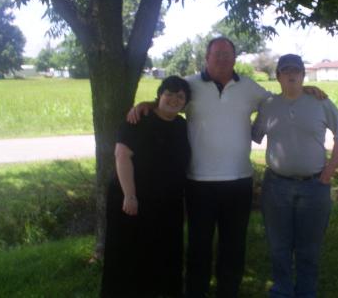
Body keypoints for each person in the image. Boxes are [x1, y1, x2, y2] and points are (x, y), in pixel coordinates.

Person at [128, 38, 326, 298]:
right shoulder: (190, 85)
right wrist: (148, 105)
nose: (222, 59)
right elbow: (170, 103)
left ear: (234, 58)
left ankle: (228, 291)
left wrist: (304, 88)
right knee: (199, 245)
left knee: (233, 246)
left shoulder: (249, 87)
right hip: (198, 181)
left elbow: (280, 100)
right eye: (217, 54)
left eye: (227, 55)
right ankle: (196, 292)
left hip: (239, 180)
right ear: (207, 58)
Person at [252, 54, 338, 298]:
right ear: (278, 76)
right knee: (278, 247)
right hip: (276, 186)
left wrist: (330, 170)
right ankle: (282, 291)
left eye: (296, 70)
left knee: (309, 249)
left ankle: (307, 292)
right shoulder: (269, 105)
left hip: (314, 186)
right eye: (285, 71)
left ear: (304, 75)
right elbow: (254, 135)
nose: (291, 75)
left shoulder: (320, 102)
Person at [101, 75, 191, 298]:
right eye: (169, 93)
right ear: (159, 95)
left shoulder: (182, 125)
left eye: (180, 96)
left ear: (186, 102)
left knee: (165, 254)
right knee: (130, 254)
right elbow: (122, 156)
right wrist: (130, 195)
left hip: (168, 203)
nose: (174, 99)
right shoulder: (138, 120)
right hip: (133, 201)